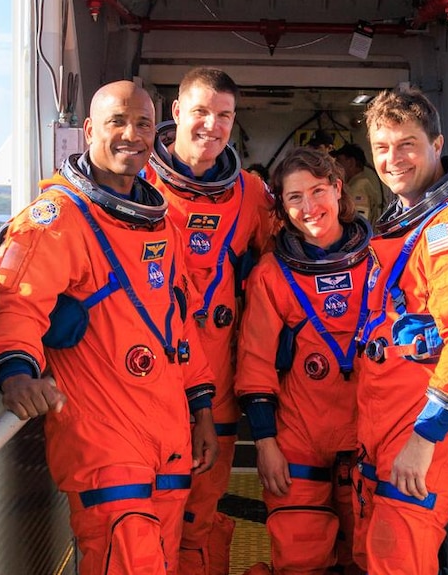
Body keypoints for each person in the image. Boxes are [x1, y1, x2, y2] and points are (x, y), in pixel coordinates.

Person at [0, 80, 218, 575]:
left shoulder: (161, 223)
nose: (131, 134)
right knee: (127, 561)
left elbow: (178, 327)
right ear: (89, 129)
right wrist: (15, 373)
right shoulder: (56, 218)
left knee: (164, 562)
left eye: (143, 124)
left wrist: (200, 409)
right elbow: (19, 304)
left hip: (168, 434)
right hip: (103, 438)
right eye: (117, 121)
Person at [353, 86, 448, 574]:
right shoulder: (414, 222)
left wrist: (425, 439)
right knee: (381, 555)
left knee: (397, 558)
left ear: (436, 144)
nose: (393, 159)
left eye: (407, 145)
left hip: (426, 430)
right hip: (394, 420)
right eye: (382, 147)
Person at [143, 66, 275, 575]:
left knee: (200, 513)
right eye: (199, 111)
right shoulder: (134, 183)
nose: (211, 126)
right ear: (175, 114)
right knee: (144, 516)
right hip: (146, 384)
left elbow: (288, 267)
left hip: (215, 386)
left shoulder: (251, 197)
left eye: (223, 116)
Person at [235, 148, 371, 575]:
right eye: (294, 197)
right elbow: (255, 364)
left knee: (367, 558)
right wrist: (265, 443)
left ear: (337, 188)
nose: (309, 207)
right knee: (299, 559)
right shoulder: (272, 275)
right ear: (281, 205)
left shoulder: (381, 261)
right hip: (299, 436)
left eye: (318, 191)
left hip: (368, 434)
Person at [331, 143, 386, 223]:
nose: (335, 167)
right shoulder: (359, 184)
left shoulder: (358, 188)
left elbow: (358, 223)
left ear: (351, 163)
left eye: (339, 161)